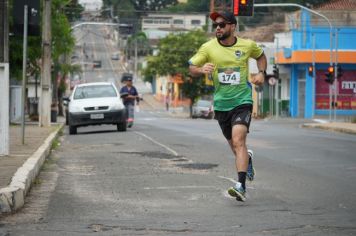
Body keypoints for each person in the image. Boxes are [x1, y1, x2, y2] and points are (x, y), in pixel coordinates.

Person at [188, 11, 267, 202]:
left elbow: (261, 55)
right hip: (222, 105)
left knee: (239, 140)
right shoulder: (208, 48)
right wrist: (200, 69)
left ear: (232, 26)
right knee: (235, 147)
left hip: (242, 101)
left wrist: (261, 72)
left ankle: (240, 186)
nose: (218, 28)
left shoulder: (247, 45)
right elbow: (191, 67)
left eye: (222, 25)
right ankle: (246, 158)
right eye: (216, 25)